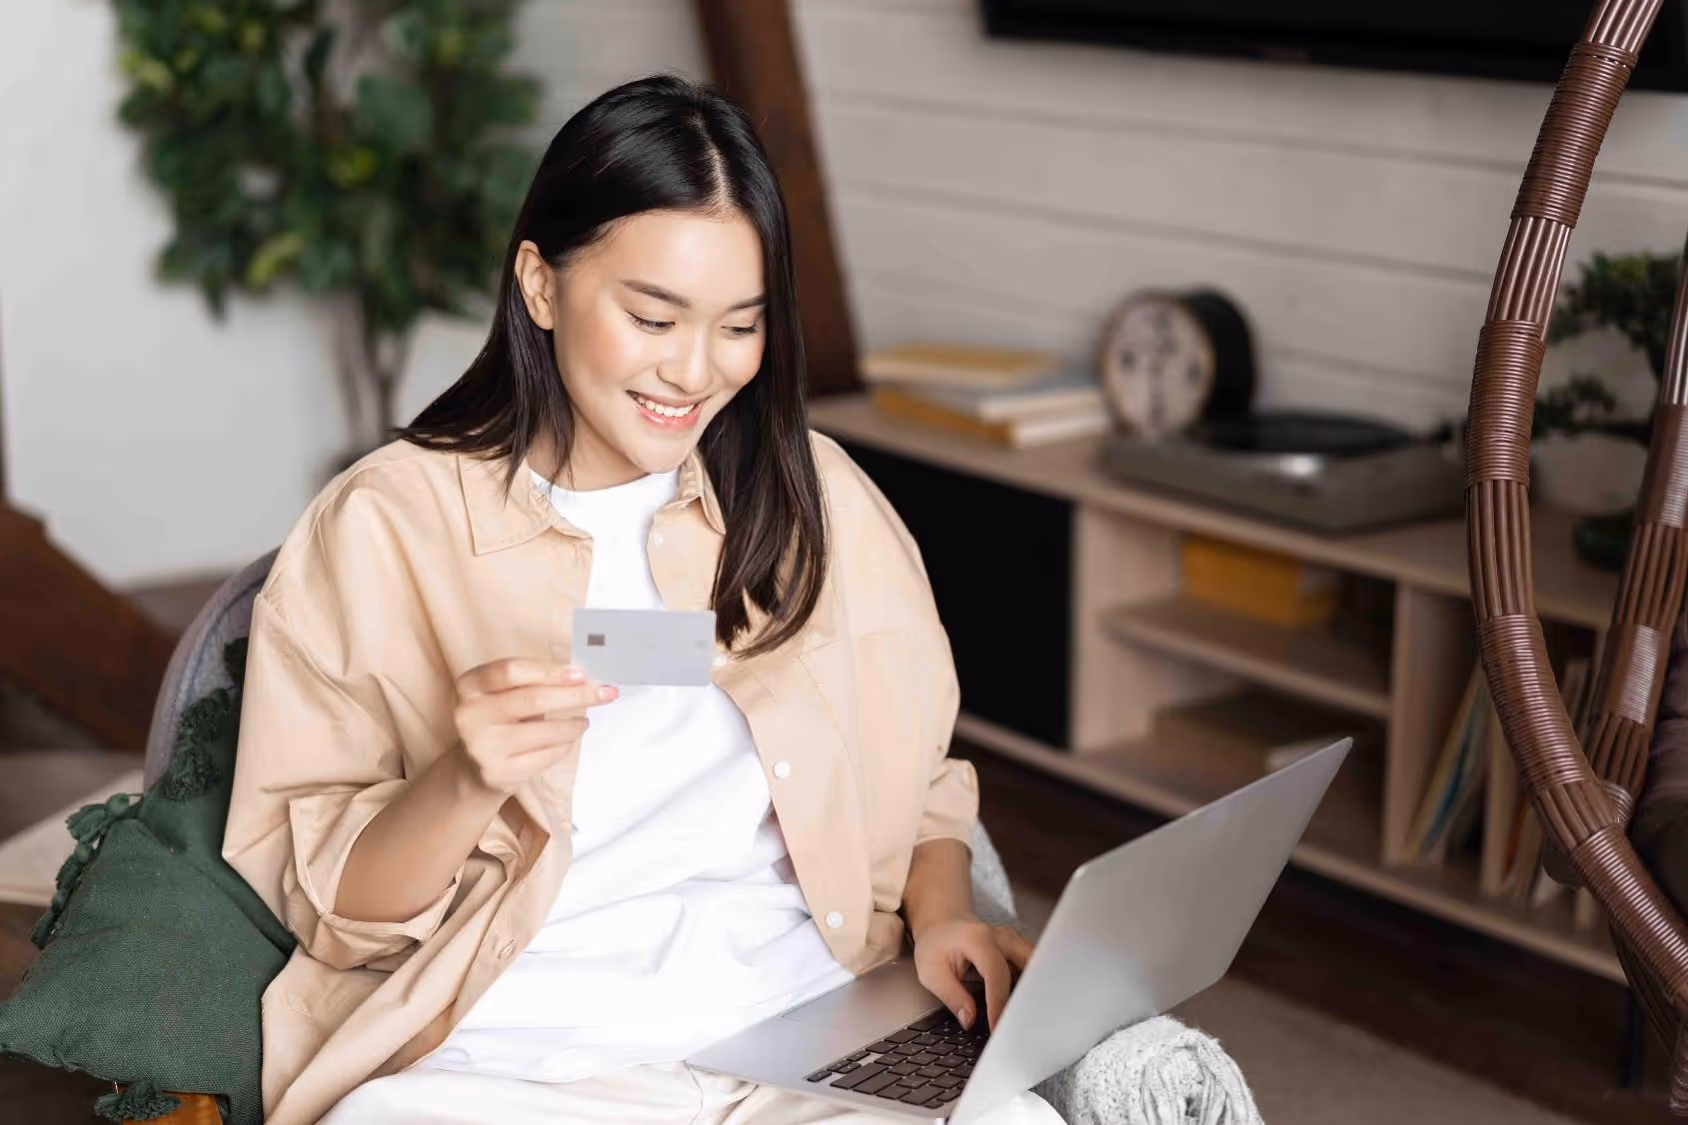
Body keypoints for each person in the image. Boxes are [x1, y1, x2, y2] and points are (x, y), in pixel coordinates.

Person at [222, 75, 1063, 1124]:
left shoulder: (815, 494)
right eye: (652, 316)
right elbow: (333, 913)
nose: (694, 372)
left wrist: (939, 917)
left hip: (804, 1028)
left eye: (740, 326)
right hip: (515, 1059)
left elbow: (919, 775)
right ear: (540, 285)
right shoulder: (383, 527)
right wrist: (463, 779)